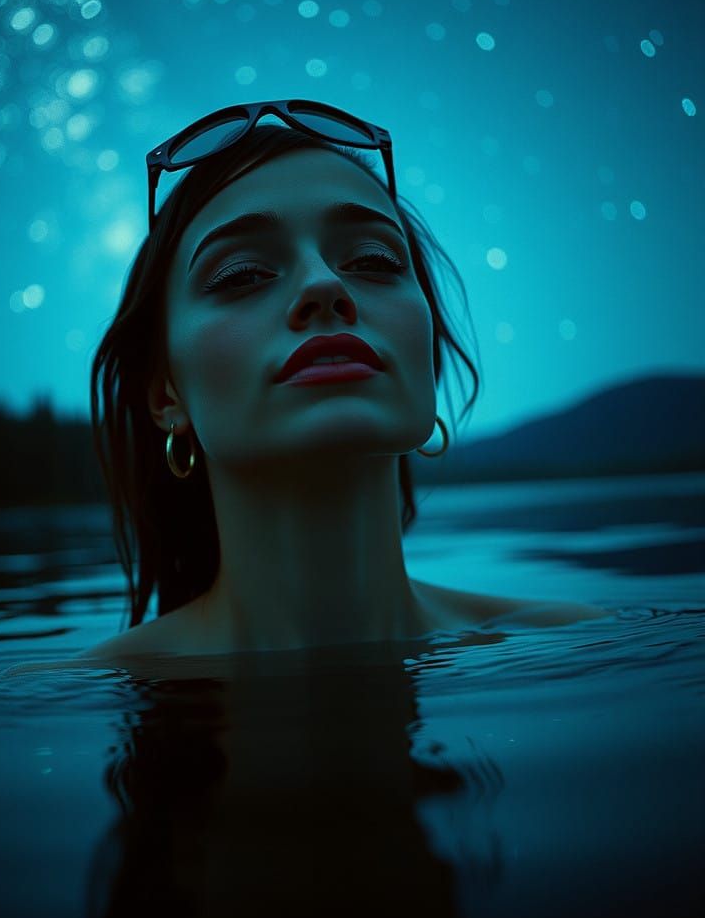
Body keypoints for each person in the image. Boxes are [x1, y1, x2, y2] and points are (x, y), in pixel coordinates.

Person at [72, 100, 604, 671]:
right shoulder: (68, 698)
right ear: (166, 395)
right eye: (242, 274)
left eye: (374, 261)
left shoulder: (581, 646)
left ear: (426, 355)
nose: (324, 285)